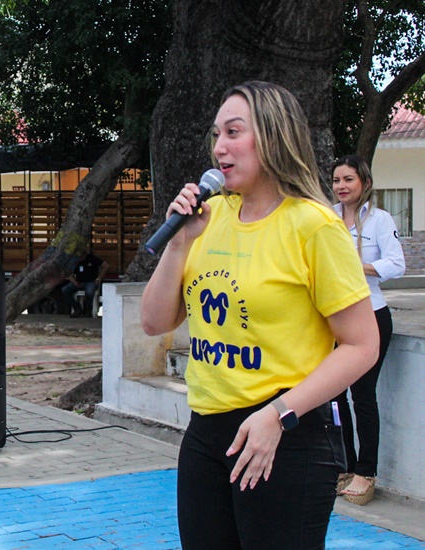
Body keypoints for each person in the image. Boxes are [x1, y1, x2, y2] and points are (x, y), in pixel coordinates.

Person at [140, 81, 379, 549]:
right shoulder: (208, 217)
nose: (219, 147)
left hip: (285, 434)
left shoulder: (314, 226)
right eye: (215, 135)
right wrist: (180, 242)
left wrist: (278, 414)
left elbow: (362, 344)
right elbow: (154, 322)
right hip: (207, 433)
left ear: (273, 136)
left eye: (233, 132)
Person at [331, 155, 405, 505]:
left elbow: (396, 263)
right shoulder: (327, 217)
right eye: (336, 180)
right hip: (332, 318)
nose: (342, 186)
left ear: (364, 182)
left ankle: (366, 472)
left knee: (362, 396)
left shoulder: (379, 219)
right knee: (332, 395)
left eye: (348, 179)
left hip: (370, 316)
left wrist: (358, 267)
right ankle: (343, 465)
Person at [61, 251, 108, 317]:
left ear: (85, 255)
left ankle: (88, 309)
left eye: (81, 257)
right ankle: (77, 308)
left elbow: (105, 265)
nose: (80, 258)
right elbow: (70, 274)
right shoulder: (75, 261)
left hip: (91, 282)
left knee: (90, 291)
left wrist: (100, 277)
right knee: (65, 290)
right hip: (79, 282)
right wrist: (74, 282)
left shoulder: (92, 258)